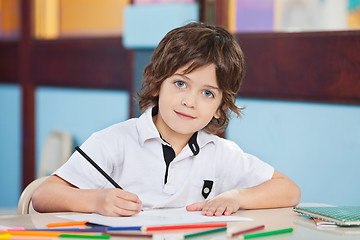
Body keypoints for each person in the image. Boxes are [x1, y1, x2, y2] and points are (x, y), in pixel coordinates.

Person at [32, 22, 301, 217]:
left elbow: (288, 190)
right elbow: (43, 196)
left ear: (220, 107)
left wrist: (236, 196)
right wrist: (97, 199)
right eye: (181, 84)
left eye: (207, 93)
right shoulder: (114, 141)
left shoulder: (220, 153)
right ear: (159, 83)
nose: (190, 101)